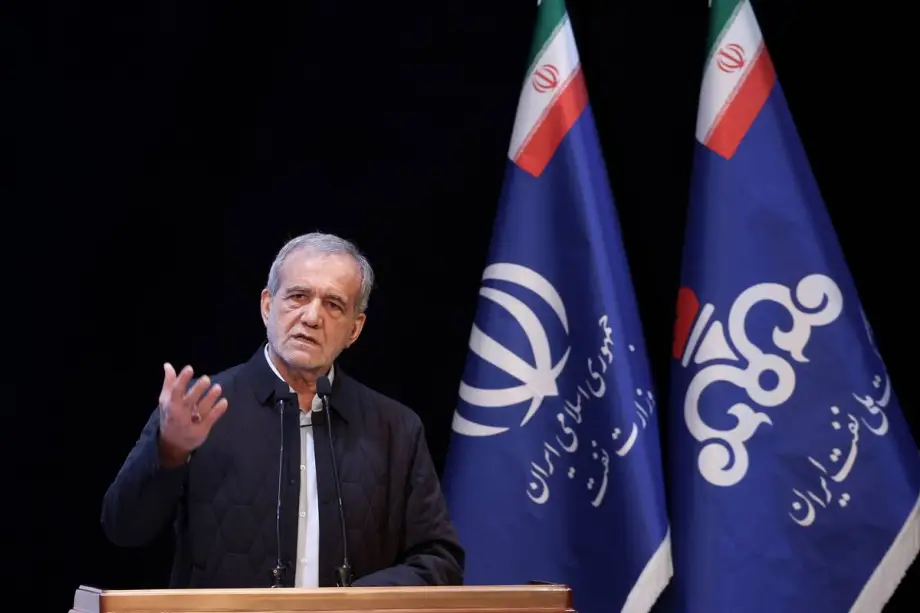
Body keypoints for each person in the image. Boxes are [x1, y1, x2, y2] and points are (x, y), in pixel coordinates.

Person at [101, 232, 464, 588]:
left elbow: (439, 560)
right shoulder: (198, 408)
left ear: (355, 329)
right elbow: (124, 529)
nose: (312, 317)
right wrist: (170, 451)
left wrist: (359, 604)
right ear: (267, 305)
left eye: (333, 305)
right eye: (298, 296)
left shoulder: (395, 429)